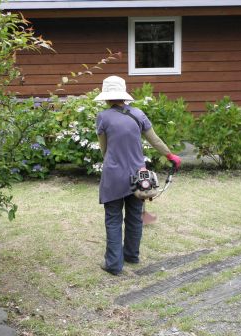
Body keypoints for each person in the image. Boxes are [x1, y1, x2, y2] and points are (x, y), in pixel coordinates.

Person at [94, 75, 181, 276]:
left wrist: (113, 161)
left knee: (113, 219)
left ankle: (114, 264)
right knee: (134, 216)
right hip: (139, 176)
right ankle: (132, 256)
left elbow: (103, 149)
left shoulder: (103, 117)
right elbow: (155, 140)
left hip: (114, 175)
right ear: (124, 95)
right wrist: (170, 156)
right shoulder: (139, 114)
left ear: (106, 97)